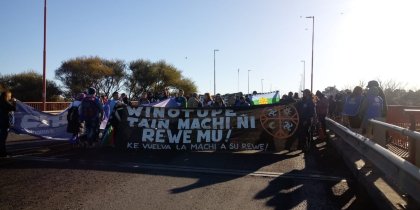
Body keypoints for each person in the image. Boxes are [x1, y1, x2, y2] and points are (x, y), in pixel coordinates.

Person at [0, 90, 16, 157]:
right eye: (9, 96)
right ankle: (2, 153)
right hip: (3, 123)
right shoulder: (5, 102)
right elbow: (13, 108)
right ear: (6, 96)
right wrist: (14, 102)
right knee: (2, 139)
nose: (10, 97)